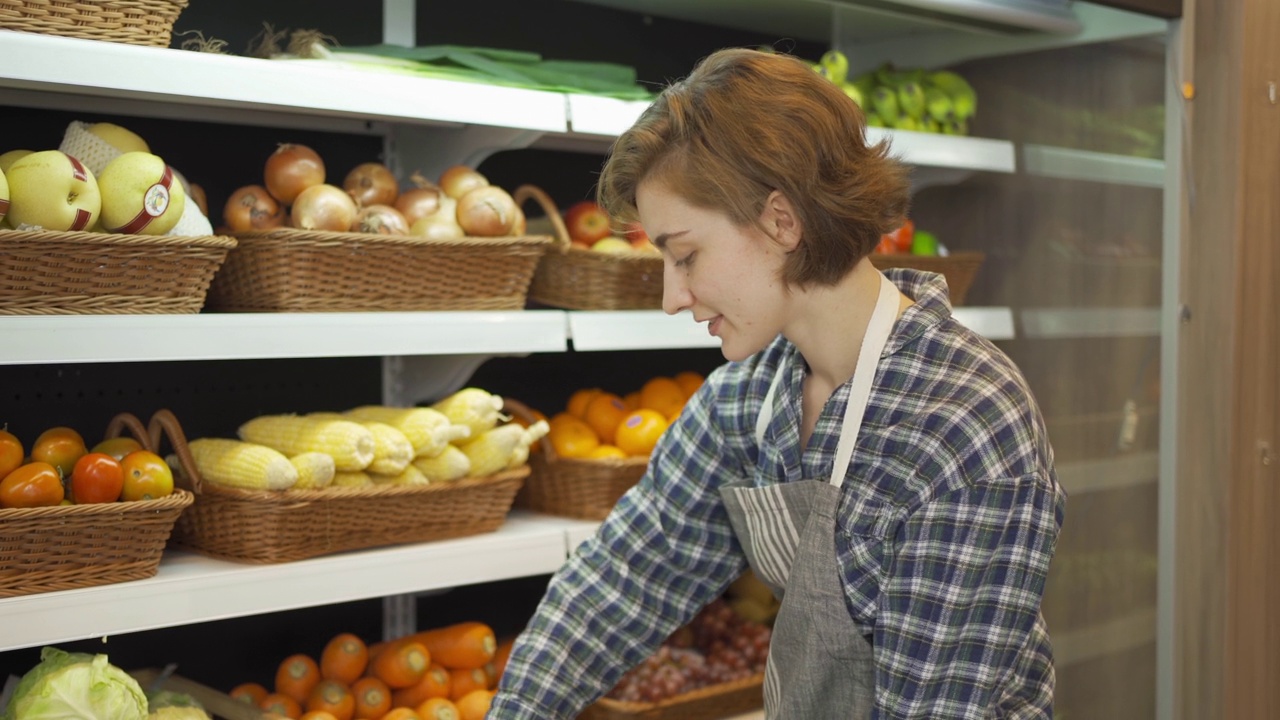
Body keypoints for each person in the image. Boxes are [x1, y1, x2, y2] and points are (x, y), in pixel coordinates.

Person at [490, 47, 1065, 719]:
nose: (672, 298)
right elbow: (621, 583)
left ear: (781, 222)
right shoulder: (748, 402)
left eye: (687, 255)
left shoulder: (963, 424)